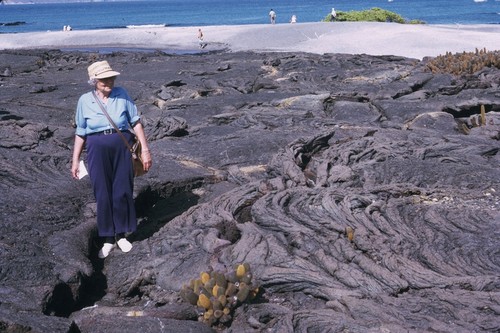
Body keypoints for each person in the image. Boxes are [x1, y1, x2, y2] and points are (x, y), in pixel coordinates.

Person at [71, 60, 152, 259]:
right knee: (102, 192)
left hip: (122, 146)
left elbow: (136, 123)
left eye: (111, 77)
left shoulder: (122, 94)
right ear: (94, 81)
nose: (109, 81)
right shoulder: (84, 100)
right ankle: (107, 238)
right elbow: (80, 132)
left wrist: (145, 150)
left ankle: (121, 235)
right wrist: (75, 160)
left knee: (123, 189)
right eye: (103, 79)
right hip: (96, 148)